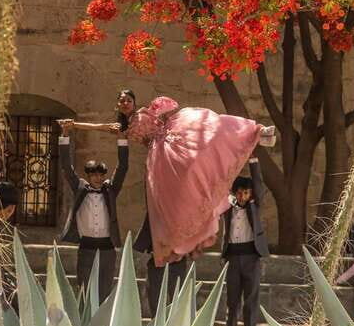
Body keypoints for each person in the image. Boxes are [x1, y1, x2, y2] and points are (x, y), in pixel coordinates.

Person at [59, 89, 275, 268]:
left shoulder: (146, 111)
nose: (125, 103)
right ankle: (179, 242)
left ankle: (257, 132)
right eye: (122, 101)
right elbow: (99, 127)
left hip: (173, 137)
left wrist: (164, 120)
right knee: (179, 190)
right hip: (160, 155)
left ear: (134, 102)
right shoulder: (122, 128)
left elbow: (168, 110)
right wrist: (73, 126)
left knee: (210, 129)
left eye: (129, 100)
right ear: (117, 105)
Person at [58, 121, 129, 303]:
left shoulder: (110, 190)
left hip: (107, 249)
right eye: (94, 175)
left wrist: (122, 139)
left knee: (104, 292)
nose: (98, 178)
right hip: (86, 248)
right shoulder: (80, 188)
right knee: (84, 291)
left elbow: (122, 168)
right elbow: (67, 167)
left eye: (100, 175)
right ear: (88, 176)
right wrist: (65, 135)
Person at [221, 158, 269, 326]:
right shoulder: (227, 207)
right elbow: (223, 186)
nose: (242, 196)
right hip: (232, 258)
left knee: (250, 303)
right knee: (232, 303)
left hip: (252, 258)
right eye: (239, 193)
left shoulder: (254, 207)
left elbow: (258, 185)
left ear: (251, 195)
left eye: (246, 193)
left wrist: (253, 161)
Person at [134, 212, 187, 317]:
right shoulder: (157, 204)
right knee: (155, 300)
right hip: (157, 261)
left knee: (178, 303)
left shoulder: (183, 205)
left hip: (177, 261)